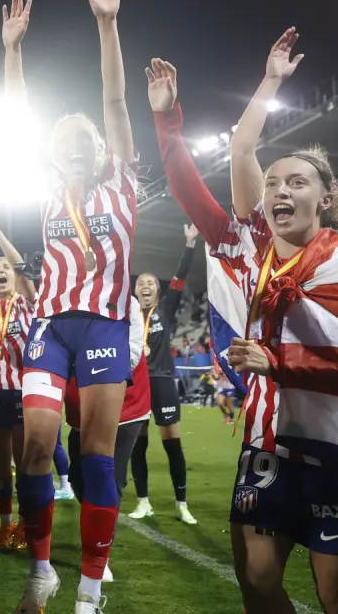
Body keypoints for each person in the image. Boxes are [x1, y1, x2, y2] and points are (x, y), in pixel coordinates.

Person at [148, 32, 338, 613]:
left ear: (326, 197)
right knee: (257, 581)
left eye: (296, 182)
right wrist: (168, 122)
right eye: (273, 184)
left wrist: (282, 360)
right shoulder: (247, 252)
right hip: (266, 445)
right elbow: (220, 169)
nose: (279, 190)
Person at [10, 0, 138, 614]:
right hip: (50, 325)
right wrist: (12, 52)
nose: (77, 145)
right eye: (65, 141)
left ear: (102, 148)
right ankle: (42, 571)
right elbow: (18, 117)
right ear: (56, 155)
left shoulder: (121, 182)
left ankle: (89, 590)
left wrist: (107, 25)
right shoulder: (47, 188)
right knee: (36, 444)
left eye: (85, 139)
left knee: (95, 455)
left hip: (105, 325)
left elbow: (114, 100)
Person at [63, 295, 149, 584]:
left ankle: (100, 555)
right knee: (78, 476)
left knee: (110, 478)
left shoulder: (126, 302)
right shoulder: (68, 301)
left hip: (125, 403)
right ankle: (97, 527)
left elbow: (133, 353)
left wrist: (91, 362)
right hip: (80, 404)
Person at [128, 224, 200, 525]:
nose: (145, 286)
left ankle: (182, 504)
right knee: (138, 445)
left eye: (150, 283)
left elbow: (180, 276)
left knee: (172, 443)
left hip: (161, 380)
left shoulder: (166, 308)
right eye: (140, 283)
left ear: (157, 289)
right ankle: (143, 501)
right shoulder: (129, 316)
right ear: (135, 291)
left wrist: (190, 244)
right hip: (136, 384)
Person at [0, 209, 39, 551]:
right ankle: (4, 524)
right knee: (1, 463)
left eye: (5, 268)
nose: (0, 271)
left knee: (23, 463)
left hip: (22, 391)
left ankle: (27, 523)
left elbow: (21, 267)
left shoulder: (28, 304)